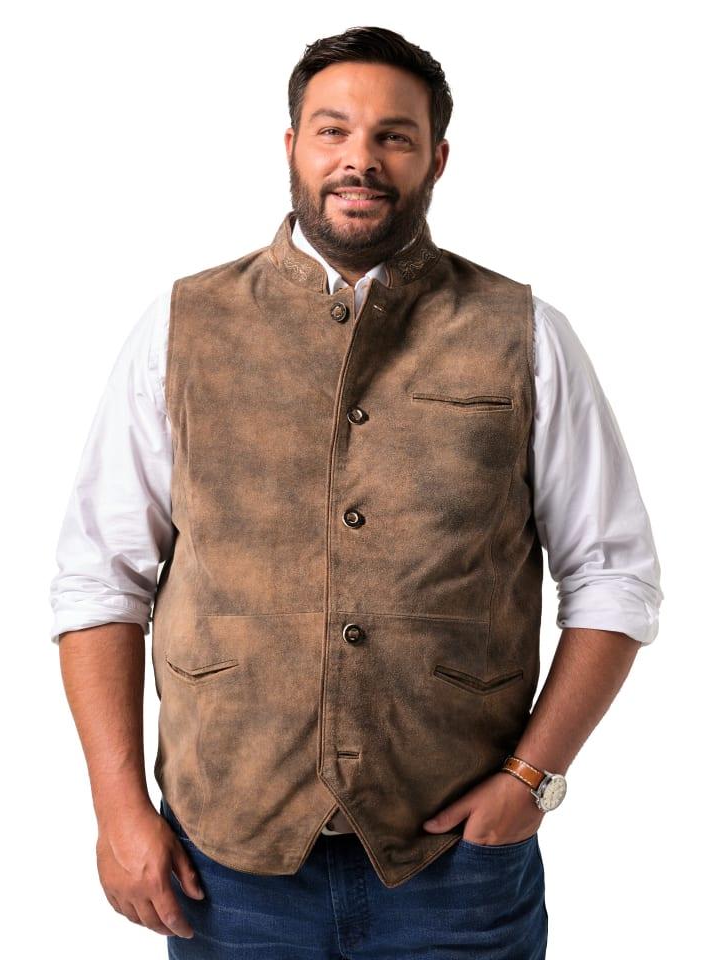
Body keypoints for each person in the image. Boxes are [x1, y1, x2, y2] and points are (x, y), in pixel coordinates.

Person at [50, 25, 663, 960]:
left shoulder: (526, 333)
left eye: (394, 136)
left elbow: (614, 576)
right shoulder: (182, 327)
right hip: (224, 862)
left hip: (455, 865)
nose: (360, 160)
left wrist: (532, 779)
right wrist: (117, 808)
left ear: (437, 158)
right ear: (291, 145)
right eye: (332, 131)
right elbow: (101, 577)